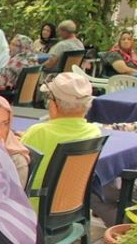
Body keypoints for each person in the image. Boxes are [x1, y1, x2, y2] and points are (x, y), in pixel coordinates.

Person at [21, 72, 100, 202]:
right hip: (70, 204)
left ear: (53, 104)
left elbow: (17, 172)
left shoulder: (38, 132)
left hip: (33, 206)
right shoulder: (93, 132)